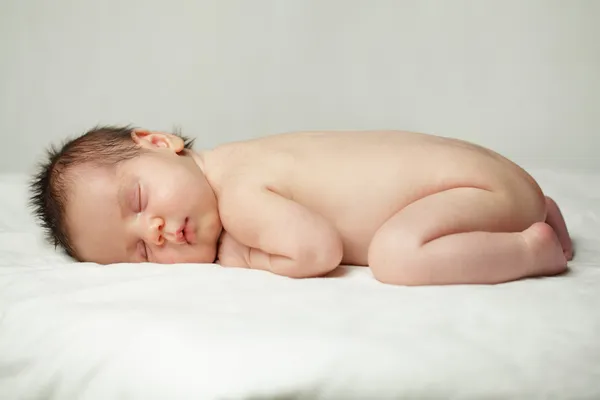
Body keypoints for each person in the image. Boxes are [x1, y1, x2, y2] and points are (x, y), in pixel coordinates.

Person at [29, 126, 573, 286]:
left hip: (475, 193)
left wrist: (244, 257)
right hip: (495, 179)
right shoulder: (244, 156)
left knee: (396, 256)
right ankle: (534, 211)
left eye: (139, 200)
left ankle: (531, 249)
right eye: (142, 252)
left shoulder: (240, 195)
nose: (157, 231)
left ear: (157, 141)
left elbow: (315, 250)